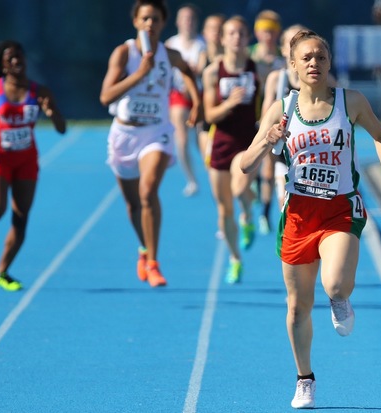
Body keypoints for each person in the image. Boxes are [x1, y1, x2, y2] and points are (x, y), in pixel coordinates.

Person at [240, 30, 381, 408]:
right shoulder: (281, 108)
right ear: (292, 65)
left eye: (321, 57)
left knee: (334, 285)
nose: (314, 64)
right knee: (297, 306)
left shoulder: (351, 101)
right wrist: (268, 140)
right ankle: (304, 379)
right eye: (306, 58)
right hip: (297, 215)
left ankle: (340, 297)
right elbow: (246, 164)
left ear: (329, 63)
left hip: (339, 210)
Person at [99, 0, 201, 287]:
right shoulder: (124, 53)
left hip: (156, 133)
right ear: (135, 22)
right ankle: (143, 250)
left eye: (155, 19)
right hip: (124, 135)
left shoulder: (170, 55)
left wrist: (196, 101)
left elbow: (189, 72)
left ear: (163, 23)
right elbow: (106, 97)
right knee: (133, 205)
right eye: (144, 18)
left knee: (148, 192)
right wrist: (140, 74)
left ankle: (154, 263)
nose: (149, 24)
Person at [0, 40, 66, 291]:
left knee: (21, 217)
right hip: (0, 159)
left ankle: (2, 271)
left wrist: (53, 114)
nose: (17, 61)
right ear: (3, 66)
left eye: (19, 56)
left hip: (27, 161)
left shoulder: (40, 92)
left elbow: (62, 129)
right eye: (10, 59)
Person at [201, 15, 260, 284]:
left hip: (248, 142)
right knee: (224, 211)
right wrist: (229, 103)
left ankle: (247, 214)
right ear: (222, 39)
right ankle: (235, 258)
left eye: (241, 33)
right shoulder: (213, 71)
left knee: (239, 189)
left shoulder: (256, 69)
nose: (237, 38)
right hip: (222, 143)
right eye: (231, 33)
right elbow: (209, 115)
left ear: (248, 39)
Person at [261, 24, 337, 215]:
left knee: (315, 211)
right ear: (285, 49)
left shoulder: (327, 80)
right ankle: (266, 208)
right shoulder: (277, 78)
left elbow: (341, 114)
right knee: (286, 209)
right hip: (285, 153)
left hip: (314, 153)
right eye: (291, 42)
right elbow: (266, 117)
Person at [249, 9, 286, 235]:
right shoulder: (249, 56)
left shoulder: (283, 61)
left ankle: (264, 212)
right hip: (250, 117)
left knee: (269, 165)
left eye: (272, 31)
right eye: (264, 31)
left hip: (270, 118)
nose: (268, 36)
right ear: (257, 32)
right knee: (251, 164)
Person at [165, 3, 207, 197]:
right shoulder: (171, 44)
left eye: (191, 19)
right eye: (184, 18)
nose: (188, 23)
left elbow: (199, 68)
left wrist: (189, 69)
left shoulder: (202, 44)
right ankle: (191, 179)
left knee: (202, 141)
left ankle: (212, 171)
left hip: (199, 95)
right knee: (180, 139)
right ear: (178, 22)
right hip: (179, 95)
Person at [198, 13, 226, 169]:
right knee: (211, 166)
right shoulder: (202, 57)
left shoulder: (232, 60)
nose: (216, 32)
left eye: (219, 29)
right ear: (204, 33)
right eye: (212, 29)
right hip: (207, 120)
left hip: (230, 120)